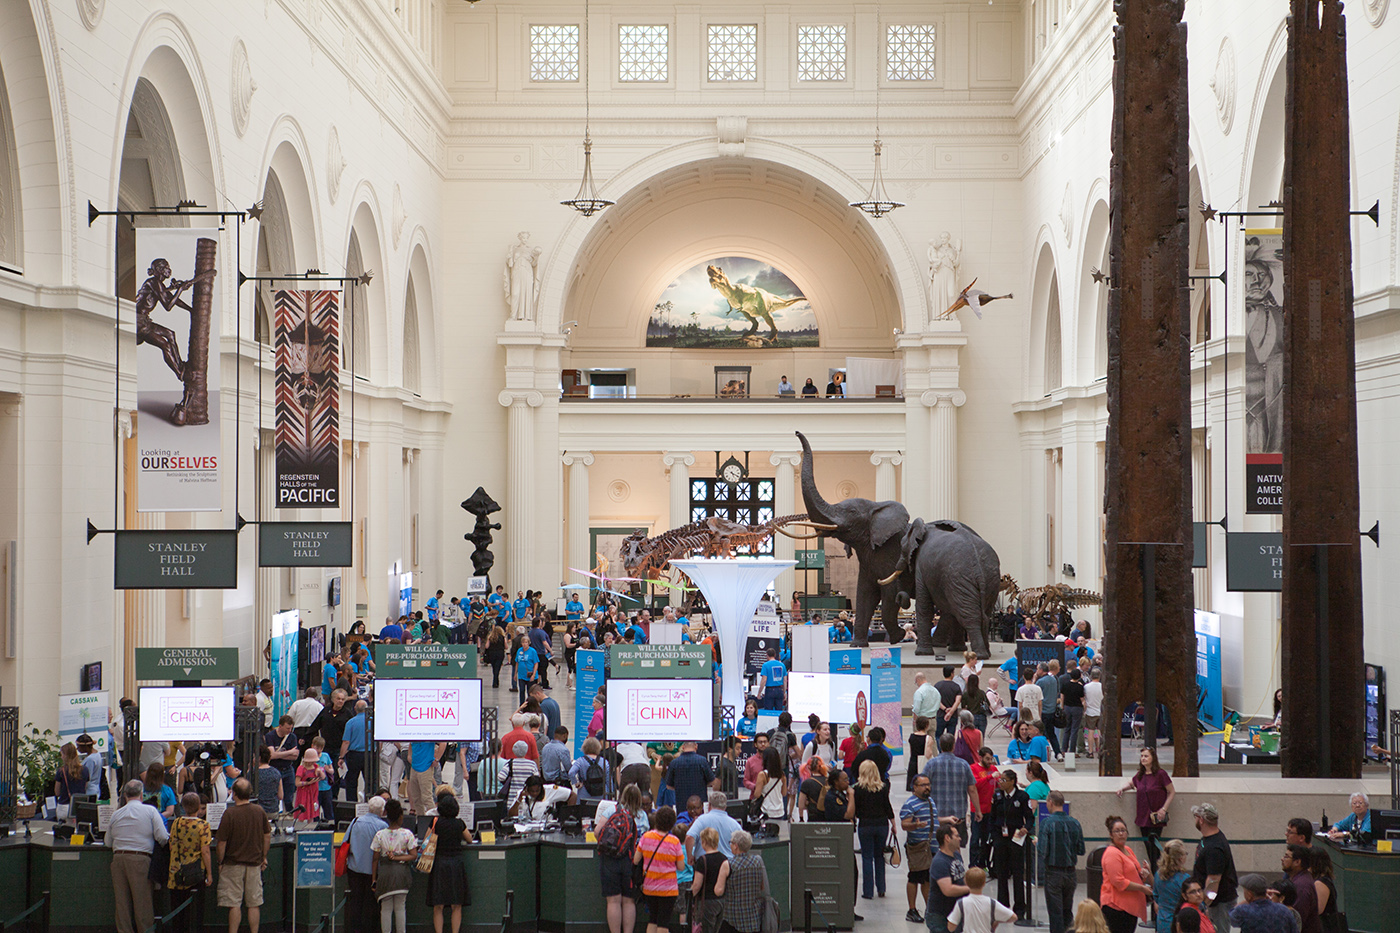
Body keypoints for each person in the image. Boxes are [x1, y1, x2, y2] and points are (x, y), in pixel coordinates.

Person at [109, 779, 170, 933]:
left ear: (124, 796)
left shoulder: (116, 814)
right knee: (142, 903)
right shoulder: (150, 811)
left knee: (121, 903)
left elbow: (107, 842)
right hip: (140, 858)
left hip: (118, 859)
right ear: (141, 795)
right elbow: (162, 837)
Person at [217, 777, 272, 933]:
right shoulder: (259, 810)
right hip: (254, 864)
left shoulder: (229, 813)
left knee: (234, 904)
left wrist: (220, 861)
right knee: (254, 903)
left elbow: (221, 843)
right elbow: (267, 835)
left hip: (232, 864)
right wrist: (263, 856)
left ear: (234, 794)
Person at [1119, 746, 1175, 876]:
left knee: (1155, 850)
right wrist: (1122, 789)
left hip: (1155, 818)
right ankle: (1155, 876)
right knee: (1148, 848)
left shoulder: (1161, 774)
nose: (1143, 758)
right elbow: (1132, 784)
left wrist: (1163, 809)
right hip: (1142, 817)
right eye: (1142, 756)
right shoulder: (1140, 775)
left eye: (1146, 756)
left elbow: (1171, 791)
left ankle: (1159, 875)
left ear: (1153, 758)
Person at [921, 733, 979, 849]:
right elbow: (972, 789)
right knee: (956, 845)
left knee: (937, 845)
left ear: (940, 745)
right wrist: (977, 810)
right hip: (958, 815)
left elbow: (922, 786)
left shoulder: (931, 764)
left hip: (937, 815)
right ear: (954, 746)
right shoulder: (963, 764)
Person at [987, 770, 1033, 917]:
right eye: (1000, 780)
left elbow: (1029, 817)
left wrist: (1026, 828)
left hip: (1016, 838)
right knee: (1001, 873)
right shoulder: (998, 796)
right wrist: (994, 835)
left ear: (1012, 781)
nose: (1001, 782)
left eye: (1004, 780)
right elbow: (992, 817)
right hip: (1001, 839)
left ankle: (1019, 907)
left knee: (1018, 874)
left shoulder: (1022, 797)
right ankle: (1002, 906)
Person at [427, 794, 473, 933]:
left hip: (439, 863)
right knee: (456, 904)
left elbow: (427, 840)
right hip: (456, 863)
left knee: (438, 904)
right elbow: (469, 839)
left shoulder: (436, 822)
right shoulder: (459, 823)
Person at [635, 806, 685, 933]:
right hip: (668, 889)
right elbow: (681, 867)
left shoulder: (646, 837)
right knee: (663, 923)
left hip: (649, 887)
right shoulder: (674, 841)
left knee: (653, 919)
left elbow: (636, 860)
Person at [371, 798, 418, 933]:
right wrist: (399, 858)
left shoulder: (379, 835)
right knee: (400, 907)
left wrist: (374, 879)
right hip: (402, 875)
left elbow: (375, 859)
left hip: (385, 874)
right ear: (400, 816)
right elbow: (413, 855)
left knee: (385, 908)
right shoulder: (407, 834)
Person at [1101, 815, 1152, 933]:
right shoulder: (1111, 853)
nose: (1121, 834)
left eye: (1123, 830)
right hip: (1116, 907)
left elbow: (1133, 872)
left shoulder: (1128, 849)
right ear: (1111, 834)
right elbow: (1118, 881)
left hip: (1130, 907)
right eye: (1117, 831)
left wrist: (1142, 874)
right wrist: (1142, 888)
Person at [1191, 804, 1238, 933]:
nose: (1194, 820)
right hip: (1216, 902)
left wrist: (1205, 903)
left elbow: (1213, 881)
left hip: (1218, 904)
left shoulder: (1214, 848)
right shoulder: (1209, 838)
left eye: (1195, 817)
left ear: (1201, 820)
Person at [852, 759, 895, 899]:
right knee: (879, 856)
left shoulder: (856, 789)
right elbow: (888, 807)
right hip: (882, 824)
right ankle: (881, 888)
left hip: (865, 825)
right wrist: (894, 824)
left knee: (866, 857)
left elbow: (855, 810)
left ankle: (868, 891)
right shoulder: (883, 788)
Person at [345, 796, 389, 933]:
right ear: (382, 811)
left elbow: (345, 841)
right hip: (373, 872)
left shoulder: (355, 821)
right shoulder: (383, 826)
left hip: (355, 868)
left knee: (356, 902)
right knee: (371, 904)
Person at [715, 829, 769, 933]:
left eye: (731, 843)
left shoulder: (728, 864)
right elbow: (762, 887)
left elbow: (718, 891)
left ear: (736, 846)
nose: (730, 845)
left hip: (733, 918)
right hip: (753, 917)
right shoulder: (757, 861)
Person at [902, 773, 936, 922]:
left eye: (928, 784)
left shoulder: (930, 801)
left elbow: (933, 819)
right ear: (914, 787)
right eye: (923, 785)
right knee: (915, 877)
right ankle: (912, 909)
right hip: (918, 847)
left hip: (930, 847)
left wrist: (947, 820)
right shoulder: (910, 804)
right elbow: (905, 825)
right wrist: (916, 825)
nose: (927, 787)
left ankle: (929, 909)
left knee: (927, 878)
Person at [926, 823, 970, 933]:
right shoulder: (940, 862)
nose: (960, 839)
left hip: (955, 912)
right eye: (956, 836)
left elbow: (961, 878)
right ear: (947, 838)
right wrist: (971, 889)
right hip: (940, 916)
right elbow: (948, 890)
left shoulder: (956, 855)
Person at [947, 867, 1017, 933]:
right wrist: (997, 921)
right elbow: (1013, 917)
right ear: (984, 883)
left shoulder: (961, 903)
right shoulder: (991, 903)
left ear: (966, 882)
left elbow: (951, 927)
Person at [686, 791, 743, 862]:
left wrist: (689, 857)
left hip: (705, 864)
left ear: (709, 805)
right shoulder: (735, 824)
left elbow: (689, 837)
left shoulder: (701, 820)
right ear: (725, 807)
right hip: (727, 864)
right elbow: (742, 844)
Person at [691, 826, 728, 933]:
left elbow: (697, 884)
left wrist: (689, 897)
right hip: (721, 900)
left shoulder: (702, 861)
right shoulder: (724, 858)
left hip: (706, 902)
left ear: (704, 842)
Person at [1230, 875, 1294, 933]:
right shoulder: (1284, 910)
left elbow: (1230, 919)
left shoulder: (1243, 911)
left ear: (1249, 894)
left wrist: (1247, 900)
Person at [1155, 839, 1193, 933]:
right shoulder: (1184, 879)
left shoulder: (1158, 874)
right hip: (1179, 923)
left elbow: (1156, 896)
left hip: (1162, 922)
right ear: (1180, 858)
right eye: (1185, 854)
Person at [667, 740, 719, 806]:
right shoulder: (702, 761)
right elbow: (712, 781)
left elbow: (668, 786)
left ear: (683, 747)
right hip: (699, 803)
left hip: (682, 803)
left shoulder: (674, 763)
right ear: (696, 747)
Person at [1279, 845, 1317, 933]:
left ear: (1297, 862)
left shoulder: (1301, 887)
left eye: (1286, 857)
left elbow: (1296, 919)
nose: (1282, 859)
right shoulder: (1299, 880)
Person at [265, 715, 301, 805]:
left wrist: (278, 755)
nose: (289, 731)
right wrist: (289, 752)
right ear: (280, 726)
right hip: (275, 768)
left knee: (289, 794)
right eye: (287, 728)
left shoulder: (292, 737)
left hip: (288, 768)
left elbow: (295, 756)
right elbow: (271, 755)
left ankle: (289, 812)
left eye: (291, 728)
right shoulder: (270, 736)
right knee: (275, 793)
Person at [752, 746, 787, 822]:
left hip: (766, 810)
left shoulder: (763, 775)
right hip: (780, 810)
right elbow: (784, 793)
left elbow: (757, 794)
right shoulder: (782, 775)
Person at [1060, 669, 1086, 754]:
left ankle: (1064, 749)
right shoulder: (1079, 686)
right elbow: (1082, 699)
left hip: (1067, 707)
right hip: (1077, 708)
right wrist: (1084, 709)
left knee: (1067, 728)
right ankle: (1072, 750)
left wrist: (1062, 706)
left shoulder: (1065, 684)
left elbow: (1062, 696)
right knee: (1075, 729)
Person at [933, 666, 963, 740]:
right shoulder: (956, 686)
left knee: (938, 736)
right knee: (951, 736)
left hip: (940, 714)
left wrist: (945, 709)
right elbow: (958, 701)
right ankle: (949, 750)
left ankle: (941, 750)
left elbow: (936, 700)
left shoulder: (937, 686)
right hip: (953, 716)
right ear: (952, 674)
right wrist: (951, 712)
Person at [295, 748, 323, 823]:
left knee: (312, 812)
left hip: (313, 792)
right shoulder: (301, 768)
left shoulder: (316, 766)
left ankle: (310, 828)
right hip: (304, 792)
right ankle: (300, 828)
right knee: (302, 813)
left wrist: (320, 771)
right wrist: (307, 783)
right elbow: (297, 783)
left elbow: (323, 777)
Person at [1084, 668, 1105, 759]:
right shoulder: (1103, 687)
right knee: (1100, 731)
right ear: (1100, 676)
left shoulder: (1086, 687)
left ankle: (1090, 751)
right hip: (1100, 711)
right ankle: (1100, 750)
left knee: (1091, 731)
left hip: (1090, 711)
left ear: (1091, 676)